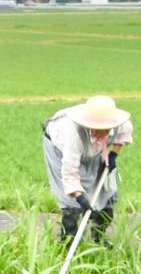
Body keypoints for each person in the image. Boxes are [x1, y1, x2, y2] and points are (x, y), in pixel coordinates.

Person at [42, 94, 132, 242]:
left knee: (105, 191)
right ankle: (68, 241)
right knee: (72, 202)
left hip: (95, 148)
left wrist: (113, 156)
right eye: (96, 128)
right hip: (59, 149)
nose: (100, 131)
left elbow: (124, 132)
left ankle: (99, 237)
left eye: (104, 128)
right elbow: (70, 171)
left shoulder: (119, 123)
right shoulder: (71, 133)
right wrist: (81, 199)